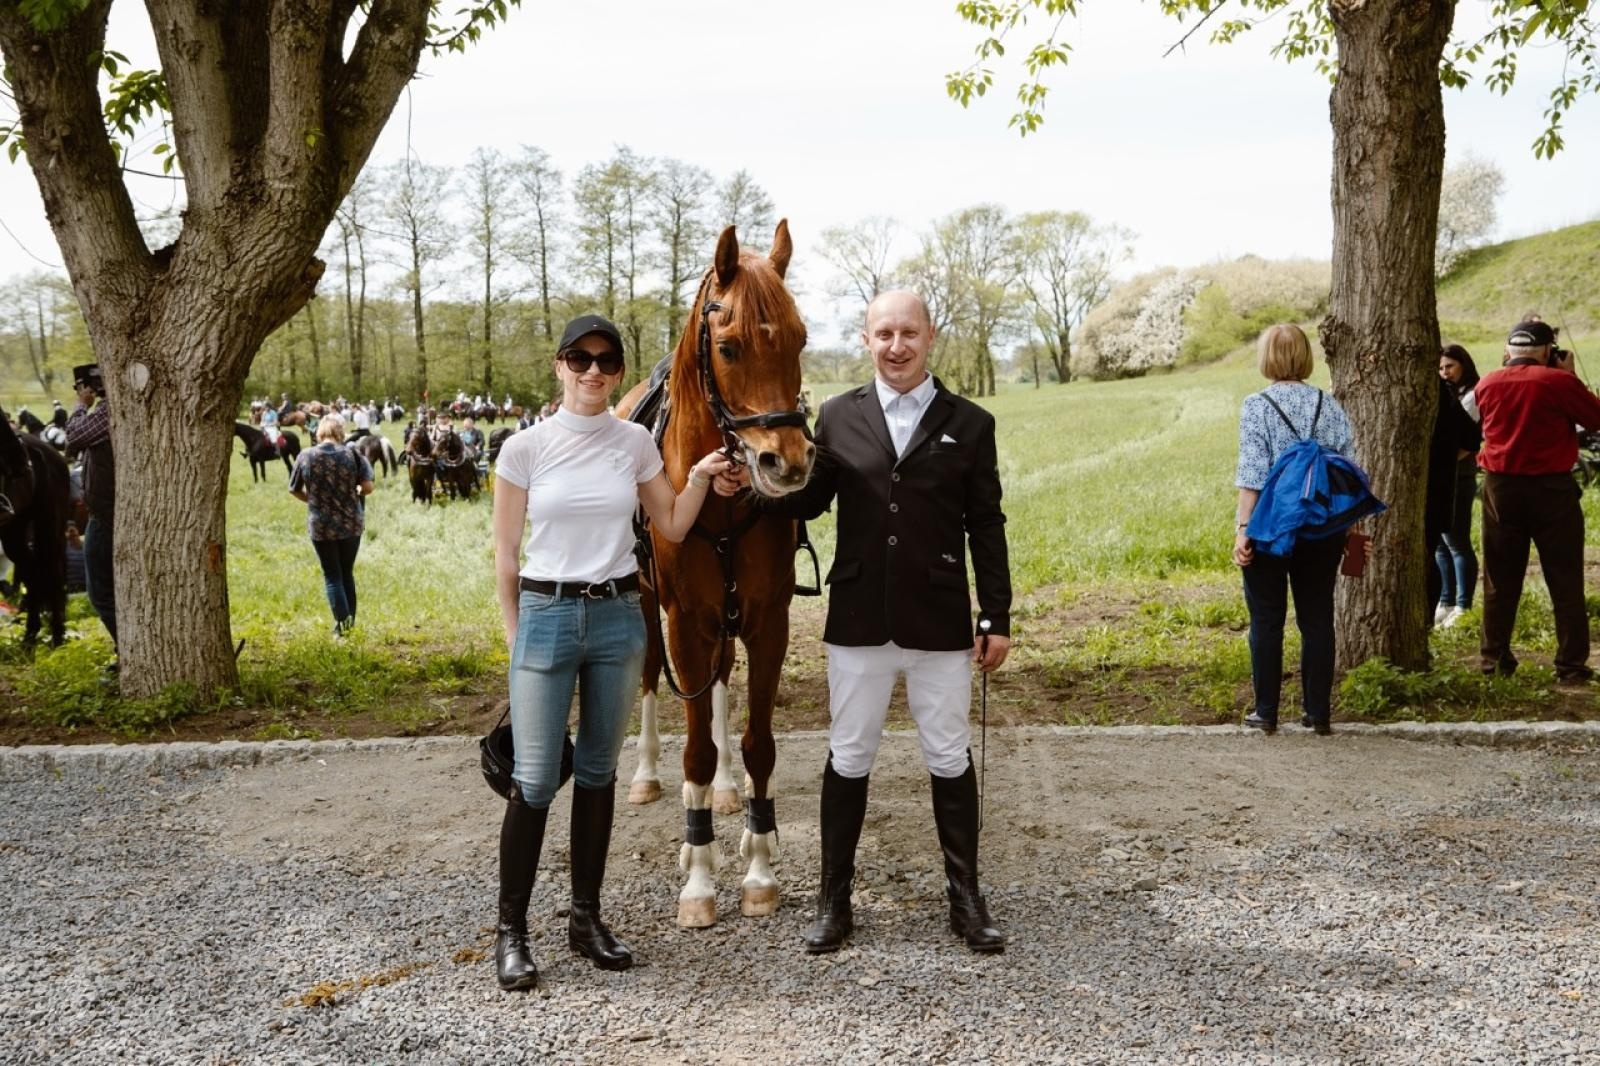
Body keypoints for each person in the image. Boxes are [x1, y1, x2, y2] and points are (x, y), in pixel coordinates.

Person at [726, 290, 1012, 956]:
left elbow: (987, 524)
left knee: (948, 754)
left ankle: (966, 902)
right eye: (884, 333)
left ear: (929, 336)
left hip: (939, 618)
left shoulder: (969, 423)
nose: (896, 345)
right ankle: (834, 904)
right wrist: (753, 490)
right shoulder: (837, 415)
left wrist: (995, 613)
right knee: (848, 756)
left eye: (908, 333)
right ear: (866, 339)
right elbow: (813, 499)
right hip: (857, 618)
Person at [489, 313, 732, 991]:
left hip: (621, 618)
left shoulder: (633, 445)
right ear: (559, 365)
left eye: (606, 360)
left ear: (619, 372)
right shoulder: (525, 449)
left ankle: (586, 920)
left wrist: (705, 475)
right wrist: (515, 638)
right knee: (536, 778)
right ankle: (512, 933)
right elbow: (506, 556)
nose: (593, 370)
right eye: (579, 358)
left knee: (597, 773)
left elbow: (674, 524)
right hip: (545, 613)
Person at [1232, 324, 1355, 736]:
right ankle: (1318, 712)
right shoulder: (1329, 404)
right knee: (1317, 618)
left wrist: (1242, 529)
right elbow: (1345, 474)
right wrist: (1348, 530)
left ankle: (1266, 710)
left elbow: (1252, 472)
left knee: (1266, 618)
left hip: (1270, 526)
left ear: (1267, 357)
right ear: (1305, 356)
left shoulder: (1257, 406)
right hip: (1321, 527)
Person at [1474, 320, 1600, 682]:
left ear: (1509, 350)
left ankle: (1493, 660)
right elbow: (1595, 418)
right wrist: (1571, 375)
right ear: (1547, 350)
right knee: (1564, 577)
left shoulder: (1487, 382)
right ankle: (1571, 665)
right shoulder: (1559, 381)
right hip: (1551, 489)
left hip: (1500, 488)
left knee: (1499, 577)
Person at [288, 415, 373, 637]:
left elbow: (294, 488)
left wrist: (314, 500)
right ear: (340, 433)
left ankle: (342, 625)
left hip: (321, 525)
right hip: (350, 523)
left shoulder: (305, 456)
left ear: (319, 433)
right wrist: (354, 493)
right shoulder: (353, 454)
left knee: (332, 575)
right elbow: (368, 486)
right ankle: (347, 626)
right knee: (347, 573)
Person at [64, 363, 117, 659]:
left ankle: (128, 649)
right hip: (106, 512)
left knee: (99, 594)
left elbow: (73, 435)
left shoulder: (108, 411)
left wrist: (81, 405)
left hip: (105, 516)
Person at [1435, 345, 1482, 627]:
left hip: (1459, 476)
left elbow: (1468, 442)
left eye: (1449, 367)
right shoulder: (1447, 393)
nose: (1445, 373)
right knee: (1440, 543)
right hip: (1443, 476)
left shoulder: (1470, 396)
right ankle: (1446, 599)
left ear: (1464, 365)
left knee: (1457, 542)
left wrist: (1444, 461)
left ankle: (1464, 605)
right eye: (1441, 368)